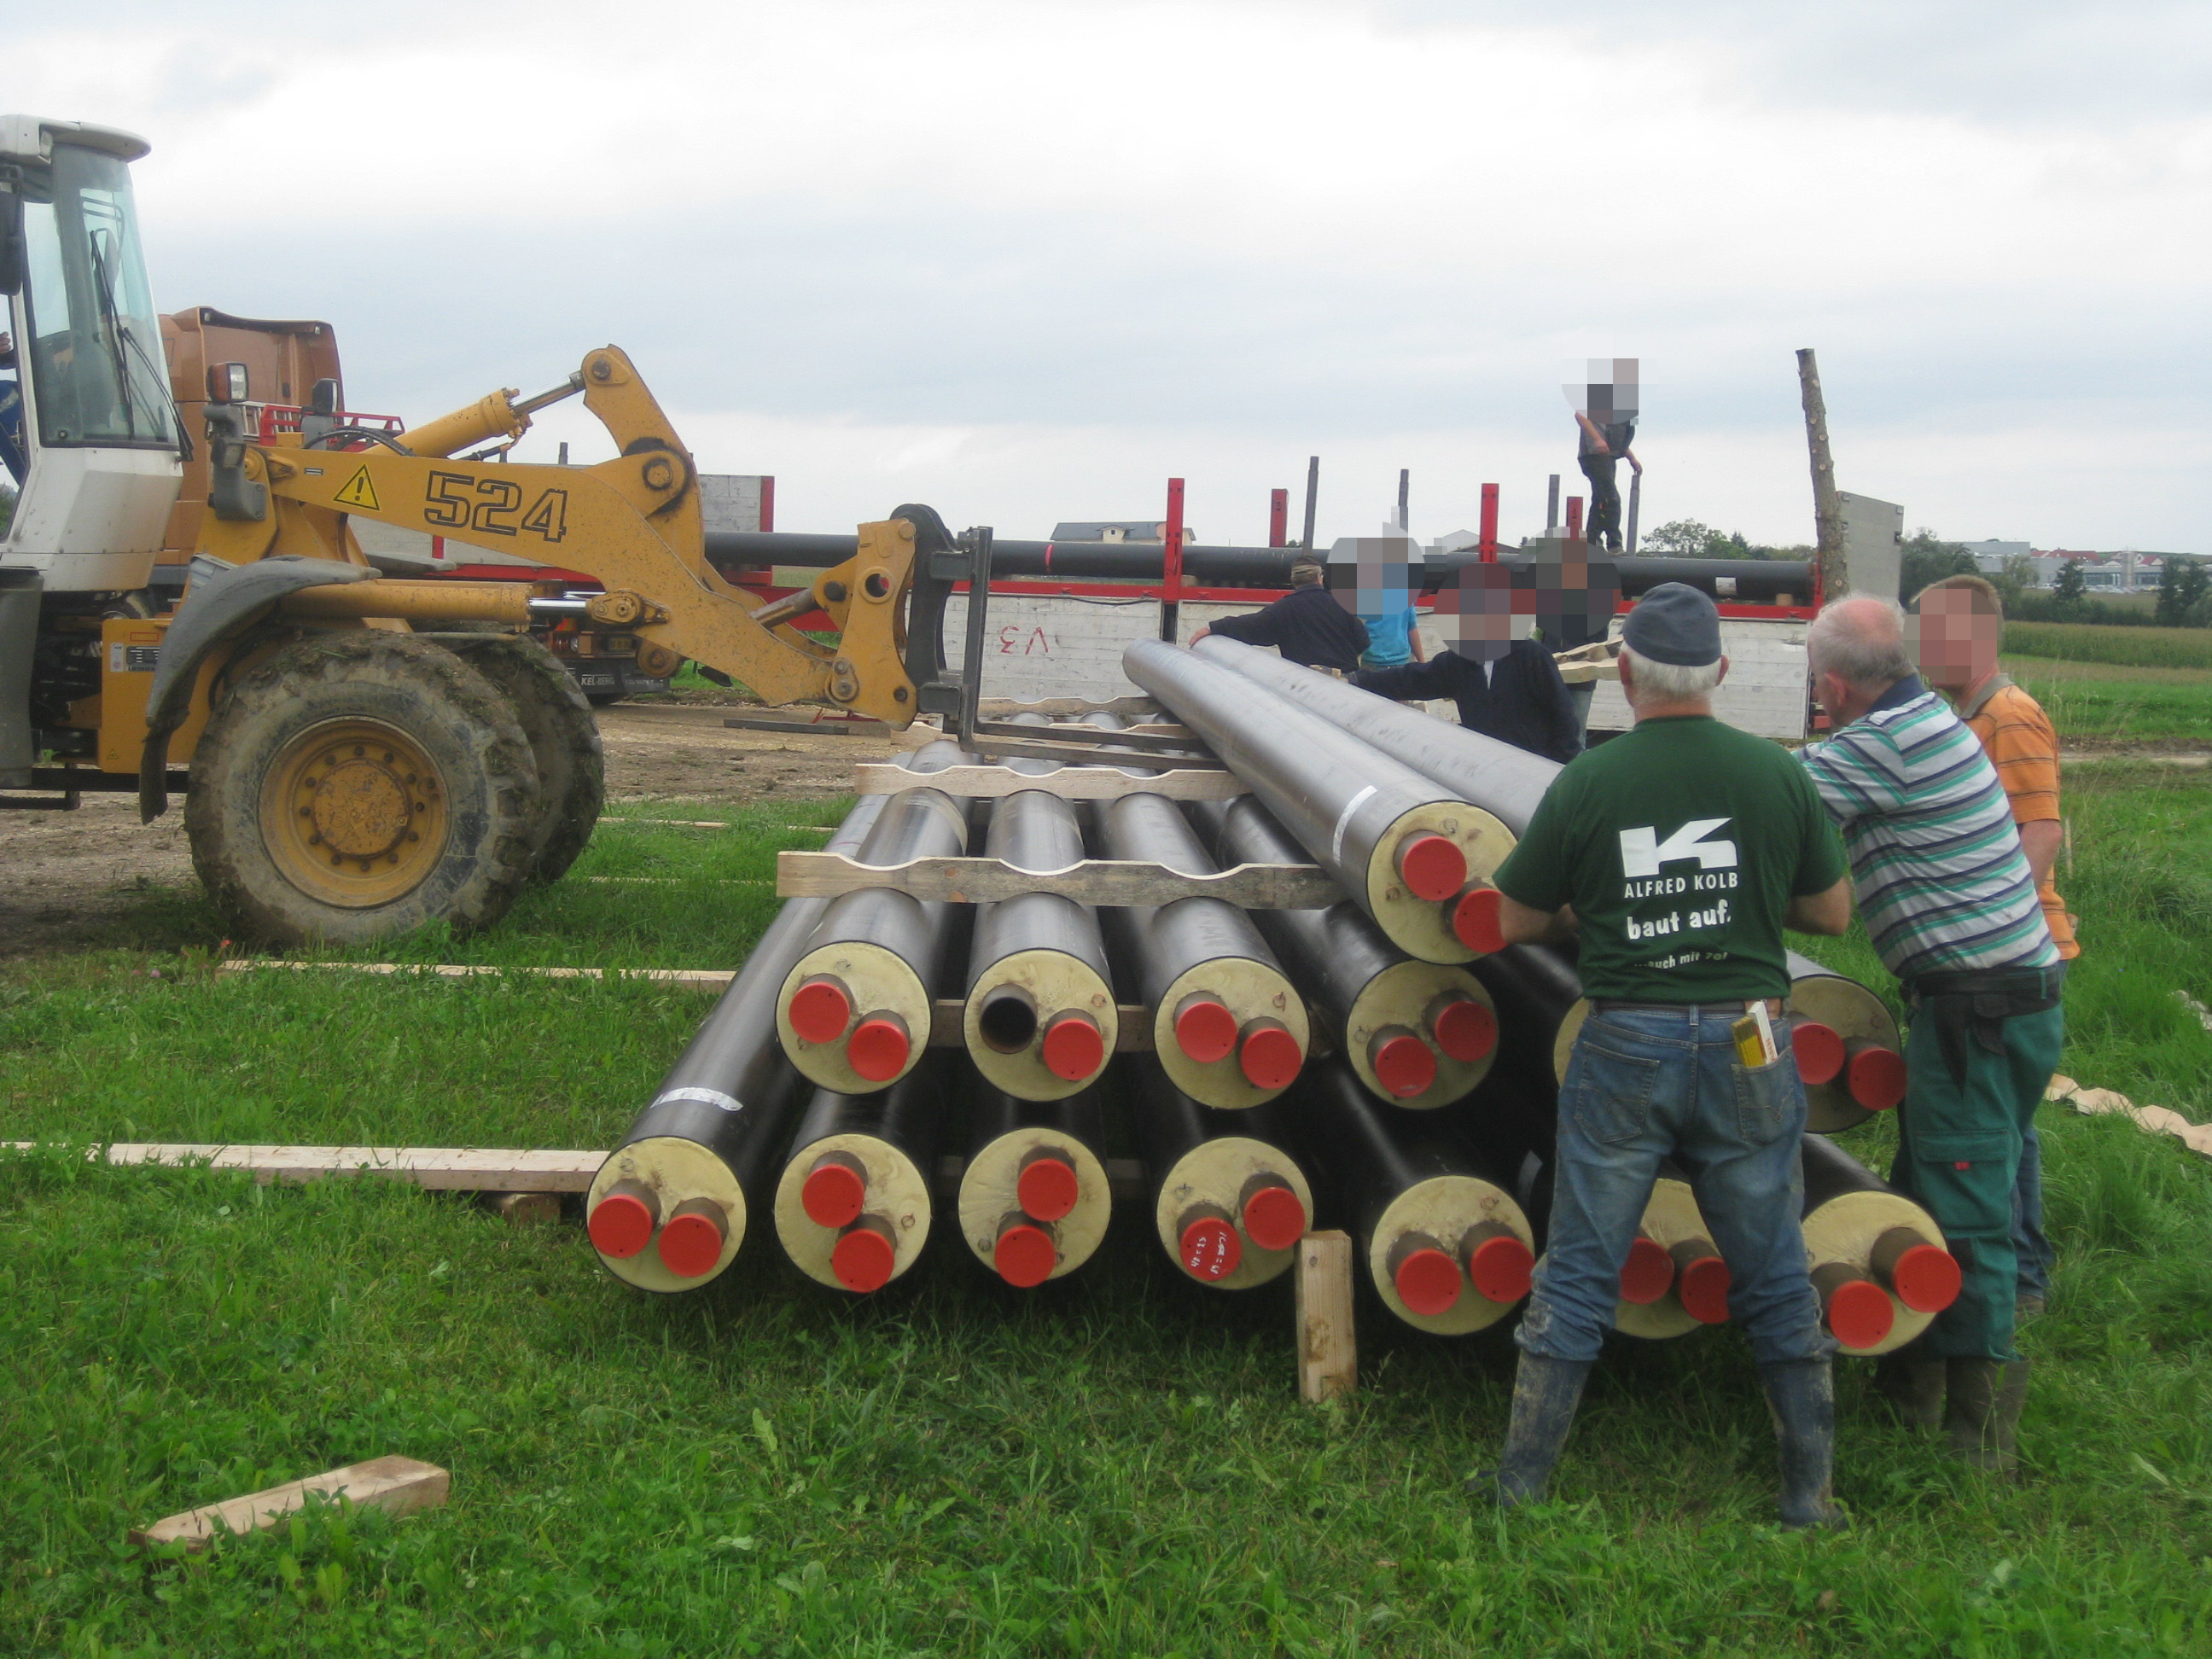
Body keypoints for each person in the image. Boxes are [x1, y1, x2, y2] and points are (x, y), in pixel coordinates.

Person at [1482, 582, 1854, 1528]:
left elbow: (1512, 917)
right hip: (1751, 1034)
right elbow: (1831, 913)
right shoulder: (1776, 775)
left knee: (1579, 1265)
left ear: (1622, 674)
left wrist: (1594, 911)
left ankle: (1520, 1490)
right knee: (1772, 1264)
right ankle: (1809, 1497)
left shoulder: (1592, 779)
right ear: (1721, 673)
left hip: (1627, 1038)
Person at [1797, 595, 2063, 1476]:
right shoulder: (1927, 724)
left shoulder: (1884, 746)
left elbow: (1766, 803)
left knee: (1967, 1210)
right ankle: (1910, 1378)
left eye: (1813, 684)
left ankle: (1982, 1437)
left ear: (1833, 684)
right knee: (1924, 1186)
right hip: (2005, 999)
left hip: (1973, 1009)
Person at [1911, 573, 2077, 1320]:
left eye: (1934, 630)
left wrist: (1990, 936)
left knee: (1992, 1124)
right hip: (2004, 953)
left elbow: (2039, 832)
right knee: (2004, 1121)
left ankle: (2018, 1281)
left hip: (2007, 958)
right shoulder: (1968, 714)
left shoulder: (2008, 716)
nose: (1923, 646)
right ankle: (2024, 1269)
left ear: (1974, 635)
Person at [1352, 562, 1582, 763]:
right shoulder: (1459, 662)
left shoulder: (1531, 657)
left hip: (1534, 763)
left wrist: (1562, 765)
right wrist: (1355, 680)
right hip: (1487, 766)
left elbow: (1562, 712)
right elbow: (1412, 679)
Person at [1189, 557, 1367, 672]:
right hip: (1346, 684)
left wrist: (1214, 627)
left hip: (1307, 686)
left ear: (1293, 580)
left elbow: (1252, 627)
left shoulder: (1284, 609)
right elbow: (1362, 642)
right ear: (1320, 578)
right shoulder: (1342, 604)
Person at [1575, 406, 1639, 554]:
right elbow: (1580, 415)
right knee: (1611, 499)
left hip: (1610, 457)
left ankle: (1592, 542)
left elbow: (1622, 437)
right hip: (1594, 455)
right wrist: (1597, 440)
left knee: (1600, 500)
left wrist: (1631, 458)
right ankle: (1614, 543)